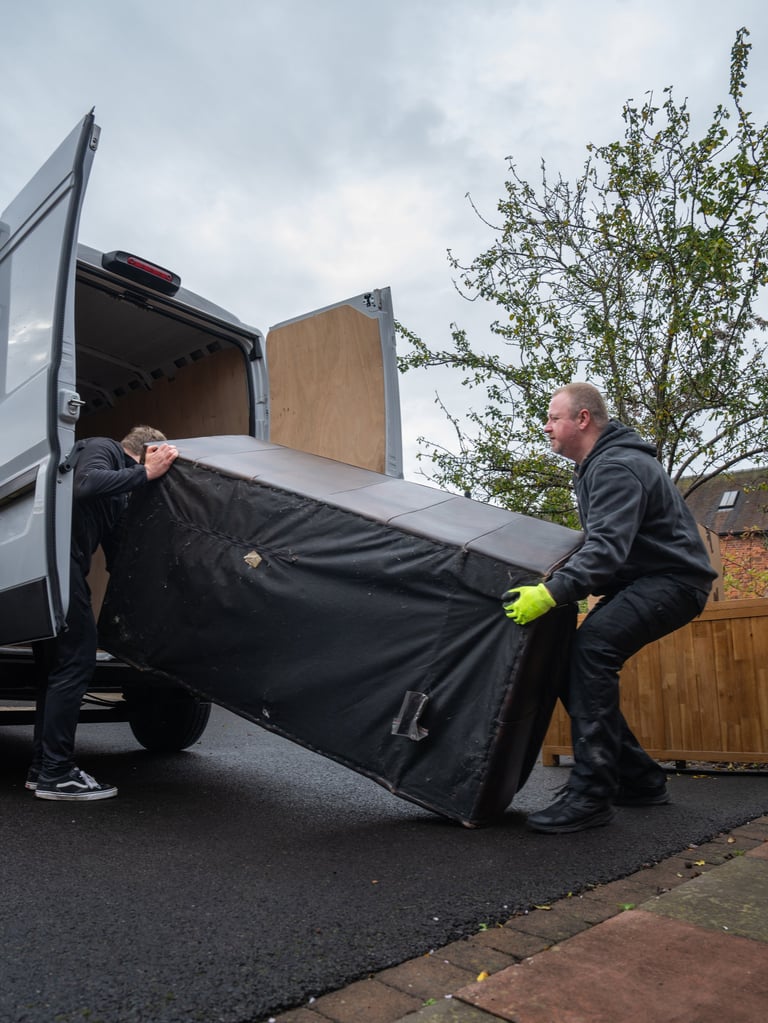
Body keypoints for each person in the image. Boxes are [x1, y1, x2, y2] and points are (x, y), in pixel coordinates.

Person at [502, 383, 717, 834]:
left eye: (553, 417)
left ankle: (592, 794)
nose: (546, 427)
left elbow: (605, 550)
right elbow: (601, 549)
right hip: (649, 581)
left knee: (591, 651)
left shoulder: (617, 466)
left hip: (672, 583)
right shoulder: (599, 467)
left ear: (582, 419)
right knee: (570, 664)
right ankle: (638, 779)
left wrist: (551, 593)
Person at [29, 426, 179, 801]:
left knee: (57, 672)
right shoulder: (103, 450)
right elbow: (85, 484)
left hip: (61, 570)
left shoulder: (120, 495)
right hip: (57, 568)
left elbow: (116, 553)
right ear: (149, 450)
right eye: (159, 457)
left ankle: (43, 767)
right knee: (76, 663)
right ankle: (57, 774)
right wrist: (146, 473)